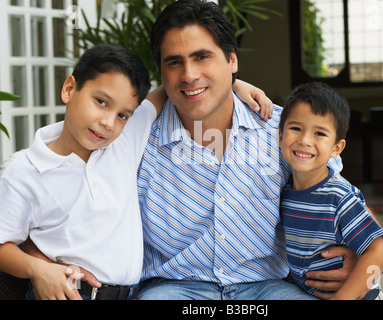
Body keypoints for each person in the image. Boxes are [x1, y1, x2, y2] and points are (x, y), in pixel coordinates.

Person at [0, 44, 270, 300]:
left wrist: (232, 83)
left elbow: (173, 88)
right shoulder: (24, 171)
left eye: (123, 115)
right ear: (70, 89)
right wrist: (37, 270)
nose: (108, 122)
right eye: (101, 102)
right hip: (67, 292)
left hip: (129, 293)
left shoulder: (124, 142)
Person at [136, 0, 361, 300]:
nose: (189, 74)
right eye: (174, 62)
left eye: (202, 57)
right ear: (162, 72)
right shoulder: (137, 143)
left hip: (269, 288)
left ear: (232, 60)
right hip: (174, 288)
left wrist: (366, 256)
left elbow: (338, 194)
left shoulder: (284, 132)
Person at [278, 82, 383, 300]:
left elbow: (378, 249)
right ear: (280, 134)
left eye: (319, 133)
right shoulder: (284, 191)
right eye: (296, 128)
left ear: (336, 148)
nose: (305, 140)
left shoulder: (338, 196)